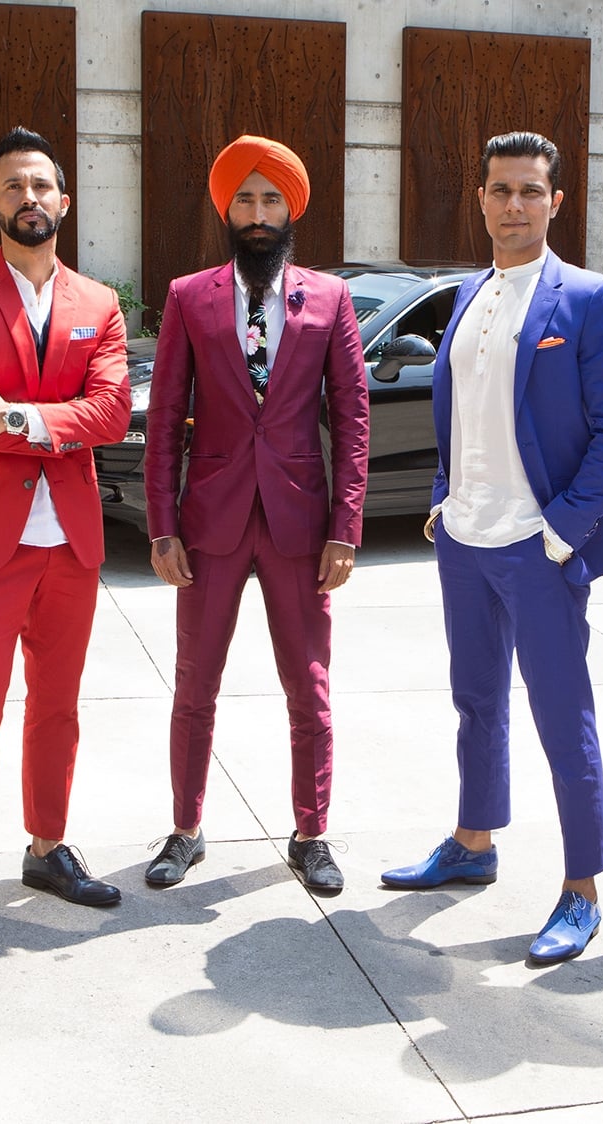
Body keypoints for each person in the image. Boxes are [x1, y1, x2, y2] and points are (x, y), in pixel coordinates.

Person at [379, 131, 603, 966]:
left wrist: (562, 531)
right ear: (482, 199)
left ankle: (582, 888)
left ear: (556, 201)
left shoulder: (591, 299)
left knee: (562, 715)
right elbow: (458, 410)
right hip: (463, 538)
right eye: (501, 190)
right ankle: (473, 842)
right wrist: (442, 499)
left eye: (531, 190)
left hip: (540, 545)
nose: (515, 205)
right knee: (475, 700)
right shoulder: (468, 293)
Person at [0, 127, 133, 953]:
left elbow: (112, 414)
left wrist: (13, 415)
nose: (29, 198)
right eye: (13, 186)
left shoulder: (98, 303)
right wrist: (53, 421)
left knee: (57, 709)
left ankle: (46, 848)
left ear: (64, 200)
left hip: (70, 542)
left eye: (41, 185)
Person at [142, 135, 369, 895]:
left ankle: (312, 833)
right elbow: (166, 417)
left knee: (309, 687)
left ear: (291, 209)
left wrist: (345, 528)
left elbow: (352, 417)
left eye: (272, 199)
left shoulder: (329, 299)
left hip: (300, 527)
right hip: (210, 523)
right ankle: (185, 828)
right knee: (194, 685)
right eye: (245, 199)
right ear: (227, 210)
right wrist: (162, 526)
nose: (259, 213)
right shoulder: (188, 297)